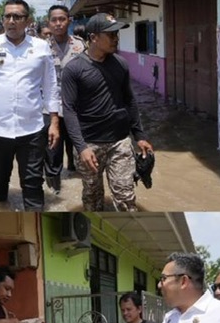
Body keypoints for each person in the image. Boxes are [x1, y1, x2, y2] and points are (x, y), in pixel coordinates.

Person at [0, 0, 60, 210]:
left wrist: (54, 121)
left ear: (28, 20)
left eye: (17, 17)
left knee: (33, 182)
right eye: (7, 16)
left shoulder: (41, 48)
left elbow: (51, 87)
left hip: (32, 128)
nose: (11, 21)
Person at [61, 12, 153, 211]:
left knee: (126, 197)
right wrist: (81, 147)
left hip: (119, 142)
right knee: (92, 200)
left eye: (116, 34)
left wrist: (140, 136)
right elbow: (68, 110)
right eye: (110, 34)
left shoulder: (121, 64)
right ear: (93, 37)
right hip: (90, 145)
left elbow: (129, 100)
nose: (116, 38)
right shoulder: (73, 69)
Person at [44, 5, 86, 191]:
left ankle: (76, 175)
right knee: (52, 151)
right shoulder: (40, 47)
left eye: (62, 19)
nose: (58, 23)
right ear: (49, 23)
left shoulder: (80, 46)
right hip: (49, 109)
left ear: (69, 20)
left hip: (75, 107)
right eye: (54, 20)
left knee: (79, 148)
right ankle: (55, 190)